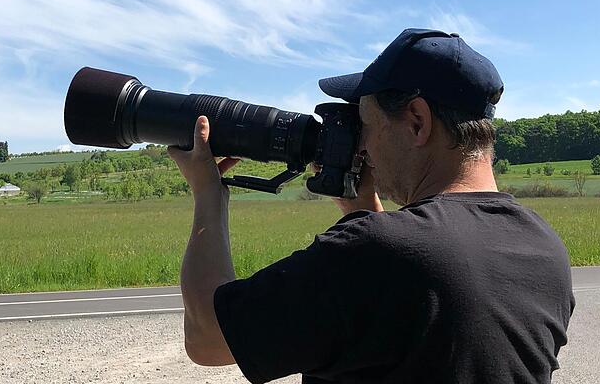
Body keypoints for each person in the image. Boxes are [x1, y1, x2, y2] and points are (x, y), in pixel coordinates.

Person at [167, 28, 575, 383]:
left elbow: (207, 338)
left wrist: (209, 194)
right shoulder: (545, 249)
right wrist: (360, 205)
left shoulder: (377, 251)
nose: (361, 144)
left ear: (417, 121)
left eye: (367, 125)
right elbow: (424, 333)